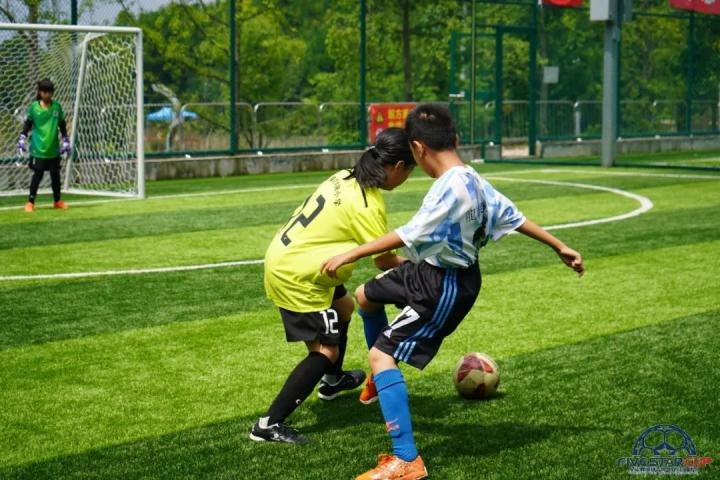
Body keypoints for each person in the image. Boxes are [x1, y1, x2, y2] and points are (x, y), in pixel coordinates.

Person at [321, 103, 585, 480]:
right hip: (429, 270)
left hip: (446, 286)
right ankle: (380, 383)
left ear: (417, 148)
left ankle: (406, 461)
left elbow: (408, 234)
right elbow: (514, 216)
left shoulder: (449, 189)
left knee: (381, 355)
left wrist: (352, 252)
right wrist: (558, 245)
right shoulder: (472, 178)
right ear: (455, 140)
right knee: (365, 296)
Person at [250, 128, 416, 444]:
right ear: (398, 166)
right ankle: (268, 425)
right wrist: (422, 270)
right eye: (410, 170)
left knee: (344, 307)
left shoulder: (346, 176)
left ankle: (332, 381)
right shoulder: (367, 204)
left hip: (292, 257)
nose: (407, 177)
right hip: (299, 275)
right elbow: (384, 260)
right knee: (326, 350)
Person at [18, 79, 71, 212]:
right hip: (38, 149)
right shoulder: (34, 107)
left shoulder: (57, 107)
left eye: (49, 92)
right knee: (38, 175)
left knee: (55, 175)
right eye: (44, 92)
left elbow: (62, 124)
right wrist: (22, 137)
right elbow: (28, 124)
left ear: (52, 93)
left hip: (53, 149)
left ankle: (57, 201)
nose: (47, 94)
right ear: (40, 92)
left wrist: (66, 140)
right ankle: (30, 202)